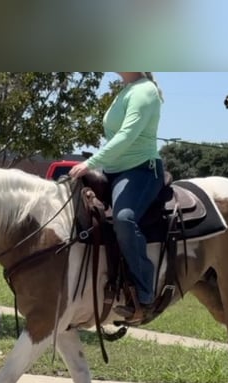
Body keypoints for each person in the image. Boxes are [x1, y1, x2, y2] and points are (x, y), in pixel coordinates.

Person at [69, 72, 165, 322]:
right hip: (113, 171)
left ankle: (145, 294)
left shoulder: (145, 91)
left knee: (123, 218)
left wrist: (90, 163)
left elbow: (127, 135)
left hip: (141, 170)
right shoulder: (125, 90)